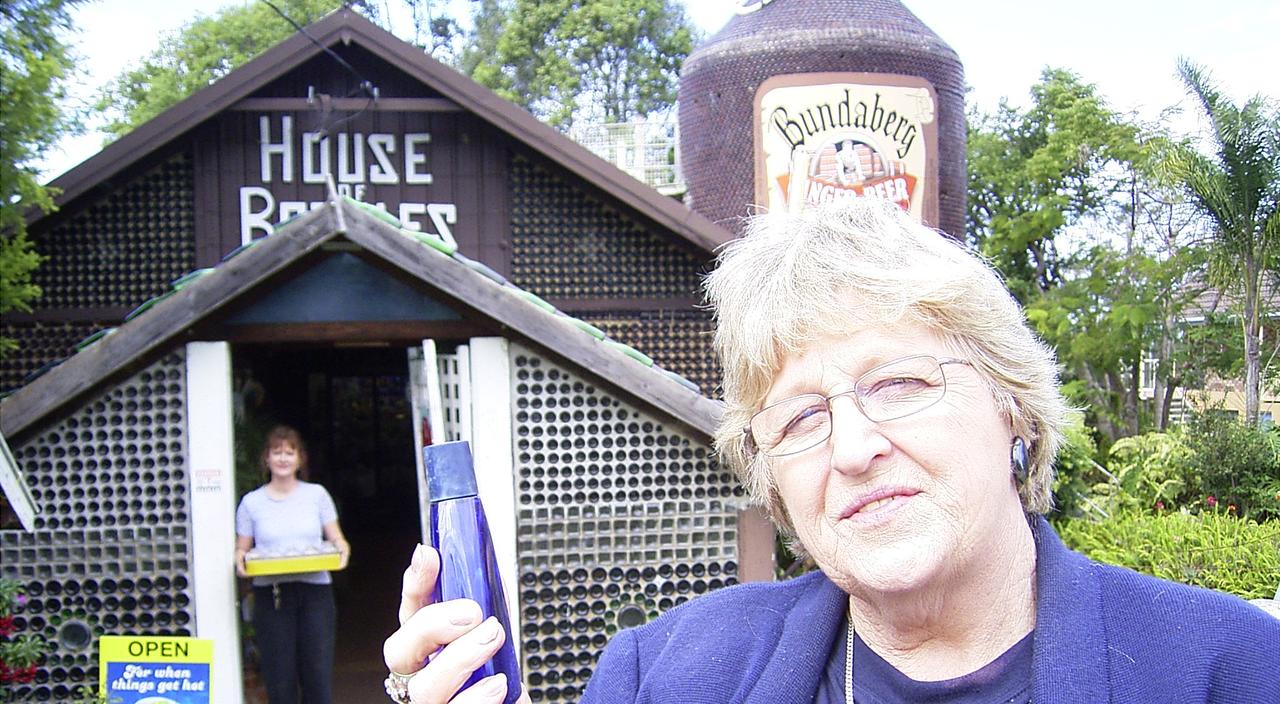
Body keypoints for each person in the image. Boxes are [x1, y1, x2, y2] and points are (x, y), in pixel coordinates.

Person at [380, 202, 1280, 703]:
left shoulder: (1229, 672)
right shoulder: (668, 677)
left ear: (1013, 409)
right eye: (800, 418)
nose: (852, 448)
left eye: (898, 384)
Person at [236, 425, 351, 704]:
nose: (283, 458)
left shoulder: (317, 495)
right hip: (272, 595)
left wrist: (342, 553)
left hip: (315, 593)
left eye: (290, 452)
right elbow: (242, 548)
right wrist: (241, 561)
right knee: (279, 677)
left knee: (317, 673)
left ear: (300, 459)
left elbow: (337, 539)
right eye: (277, 452)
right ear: (266, 458)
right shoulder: (251, 503)